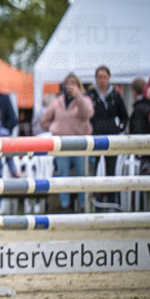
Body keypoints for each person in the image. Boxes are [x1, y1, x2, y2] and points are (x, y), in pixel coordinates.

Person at [40, 73, 94, 212]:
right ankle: (65, 205)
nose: (70, 86)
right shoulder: (57, 102)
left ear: (79, 85)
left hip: (80, 143)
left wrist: (78, 97)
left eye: (73, 83)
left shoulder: (85, 100)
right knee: (63, 174)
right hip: (62, 144)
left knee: (81, 174)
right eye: (68, 83)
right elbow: (44, 121)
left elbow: (87, 114)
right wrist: (54, 128)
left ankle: (83, 204)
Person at [86, 66, 129, 206]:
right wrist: (89, 130)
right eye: (100, 77)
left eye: (104, 77)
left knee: (111, 172)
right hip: (94, 139)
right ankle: (92, 203)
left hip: (111, 139)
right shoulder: (90, 95)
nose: (102, 80)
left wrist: (118, 129)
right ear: (96, 78)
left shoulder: (115, 95)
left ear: (109, 78)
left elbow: (124, 117)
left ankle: (111, 203)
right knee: (92, 172)